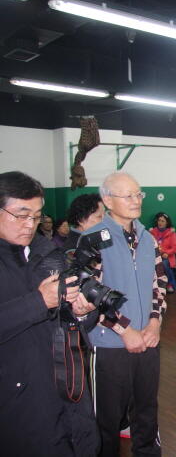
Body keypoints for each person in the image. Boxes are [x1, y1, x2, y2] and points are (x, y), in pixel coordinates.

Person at [0, 171, 99, 456]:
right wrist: (39, 301)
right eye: (21, 215)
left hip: (68, 389)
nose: (30, 225)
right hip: (20, 404)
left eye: (36, 216)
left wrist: (81, 313)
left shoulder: (49, 254)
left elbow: (73, 322)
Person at [89, 171, 167, 457]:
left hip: (148, 340)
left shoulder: (148, 238)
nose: (136, 201)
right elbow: (88, 294)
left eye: (138, 194)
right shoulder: (92, 240)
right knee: (107, 421)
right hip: (110, 345)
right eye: (128, 195)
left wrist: (155, 322)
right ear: (108, 200)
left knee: (146, 412)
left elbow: (159, 283)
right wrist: (124, 329)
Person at [149, 212, 176, 294]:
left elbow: (175, 248)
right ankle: (154, 285)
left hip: (167, 256)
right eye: (159, 220)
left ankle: (170, 284)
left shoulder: (171, 233)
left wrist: (167, 253)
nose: (160, 223)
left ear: (167, 223)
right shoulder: (152, 232)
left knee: (164, 264)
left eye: (163, 221)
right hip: (154, 255)